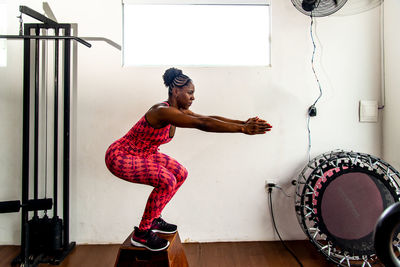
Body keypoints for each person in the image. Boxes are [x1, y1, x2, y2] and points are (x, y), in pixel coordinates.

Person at [105, 68, 272, 251]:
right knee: (167, 181)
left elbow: (207, 117)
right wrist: (242, 130)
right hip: (121, 155)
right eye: (190, 93)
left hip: (145, 153)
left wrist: (243, 123)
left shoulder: (179, 110)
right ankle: (142, 234)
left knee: (180, 173)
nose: (193, 98)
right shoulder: (163, 111)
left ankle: (154, 219)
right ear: (176, 91)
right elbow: (203, 124)